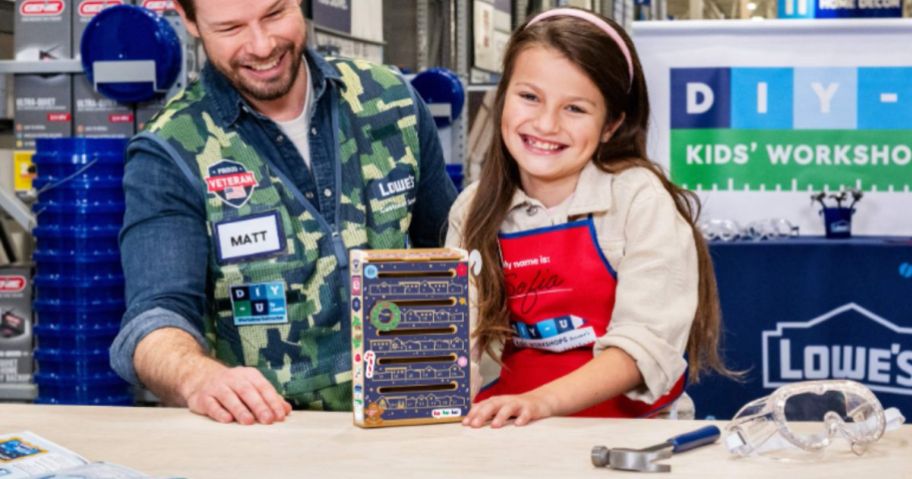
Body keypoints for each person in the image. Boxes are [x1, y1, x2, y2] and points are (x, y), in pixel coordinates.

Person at [110, 0, 457, 425]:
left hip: (407, 421)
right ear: (189, 20)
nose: (261, 45)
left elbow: (451, 249)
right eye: (231, 28)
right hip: (270, 437)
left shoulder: (390, 101)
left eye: (275, 14)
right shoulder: (172, 149)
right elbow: (155, 316)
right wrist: (196, 376)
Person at [445, 8, 732, 428]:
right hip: (512, 431)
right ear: (503, 95)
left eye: (575, 109)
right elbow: (459, 338)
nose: (545, 124)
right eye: (529, 97)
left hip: (631, 435)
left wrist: (541, 402)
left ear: (612, 124)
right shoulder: (472, 209)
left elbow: (643, 346)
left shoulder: (640, 201)